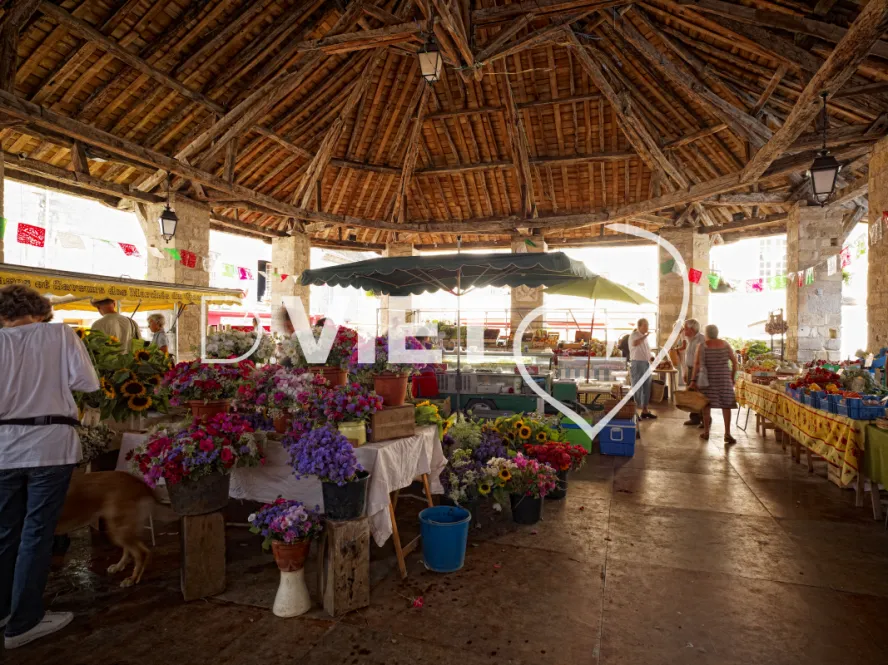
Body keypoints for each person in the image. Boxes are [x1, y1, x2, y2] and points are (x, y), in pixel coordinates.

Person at [0, 285, 100, 649]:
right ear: (40, 311)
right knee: (36, 533)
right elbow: (86, 383)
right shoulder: (60, 334)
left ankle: (4, 611)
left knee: (5, 531)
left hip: (3, 450)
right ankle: (24, 622)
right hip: (49, 447)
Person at [690, 324, 739, 444]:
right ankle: (727, 433)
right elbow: (734, 362)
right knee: (726, 405)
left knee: (706, 405)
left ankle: (706, 432)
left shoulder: (701, 346)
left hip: (708, 381)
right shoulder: (726, 344)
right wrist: (732, 377)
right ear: (717, 333)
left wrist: (692, 381)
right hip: (724, 379)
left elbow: (696, 365)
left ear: (706, 334)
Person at [629, 318, 657, 420]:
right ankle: (634, 412)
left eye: (648, 325)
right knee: (637, 387)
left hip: (646, 364)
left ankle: (645, 410)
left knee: (647, 387)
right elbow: (635, 343)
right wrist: (645, 336)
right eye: (645, 325)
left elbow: (646, 351)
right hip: (637, 364)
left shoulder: (644, 338)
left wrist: (652, 358)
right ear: (639, 326)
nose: (647, 327)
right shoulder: (634, 335)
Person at [682, 319, 706, 427]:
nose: (684, 330)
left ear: (692, 329)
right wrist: (687, 371)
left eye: (685, 328)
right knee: (691, 395)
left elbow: (701, 360)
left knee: (700, 395)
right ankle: (694, 418)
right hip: (691, 368)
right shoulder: (690, 339)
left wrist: (695, 376)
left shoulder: (701, 339)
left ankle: (705, 419)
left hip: (699, 370)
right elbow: (689, 357)